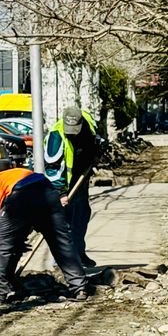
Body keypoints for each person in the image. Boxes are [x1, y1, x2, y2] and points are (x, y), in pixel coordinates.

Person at [0, 166, 90, 306]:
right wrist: (13, 240)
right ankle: (79, 287)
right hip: (47, 189)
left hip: (22, 195)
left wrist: (3, 238)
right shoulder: (2, 179)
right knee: (60, 241)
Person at [51, 104, 101, 268]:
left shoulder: (88, 124)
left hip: (82, 179)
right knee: (64, 222)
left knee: (82, 216)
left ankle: (79, 253)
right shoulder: (56, 136)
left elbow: (96, 142)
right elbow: (52, 168)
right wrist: (60, 193)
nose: (72, 133)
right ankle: (62, 260)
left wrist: (96, 155)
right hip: (64, 184)